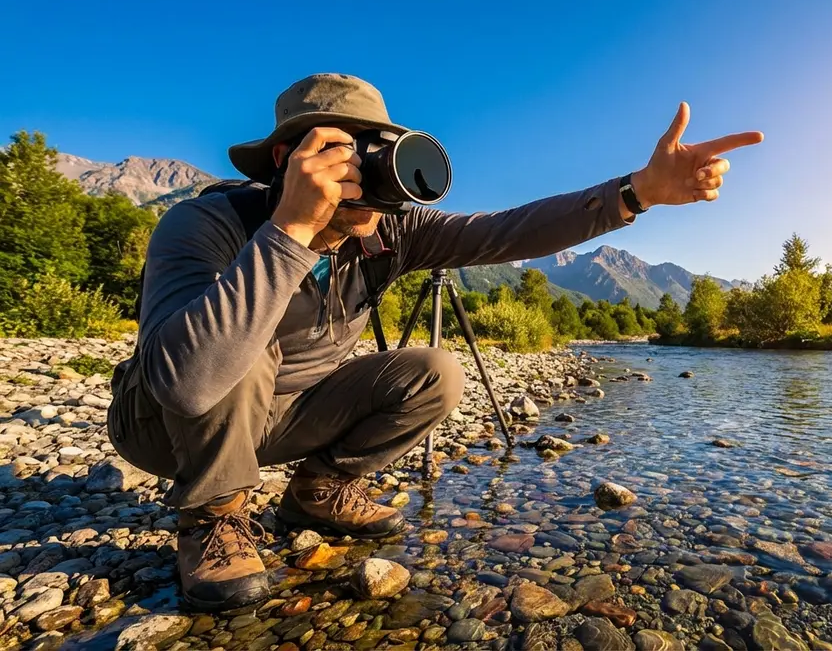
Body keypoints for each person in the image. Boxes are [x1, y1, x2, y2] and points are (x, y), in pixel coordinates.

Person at [106, 72, 762, 612]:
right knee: (243, 342)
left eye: (377, 152)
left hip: (283, 414)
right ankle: (213, 516)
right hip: (168, 422)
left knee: (435, 371)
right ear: (286, 160)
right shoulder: (203, 223)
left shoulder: (392, 234)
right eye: (340, 151)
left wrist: (636, 192)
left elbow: (508, 229)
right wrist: (290, 233)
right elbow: (184, 379)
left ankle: (317, 491)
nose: (362, 172)